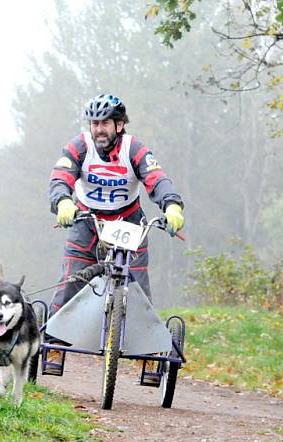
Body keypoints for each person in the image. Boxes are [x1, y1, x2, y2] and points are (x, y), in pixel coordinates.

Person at [44, 93, 185, 372]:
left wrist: (172, 207)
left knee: (139, 290)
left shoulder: (135, 149)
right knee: (70, 282)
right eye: (94, 123)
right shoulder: (79, 146)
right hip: (87, 222)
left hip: (129, 222)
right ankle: (53, 344)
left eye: (105, 123)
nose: (99, 129)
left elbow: (157, 179)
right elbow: (60, 177)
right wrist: (62, 201)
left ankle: (149, 353)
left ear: (120, 125)